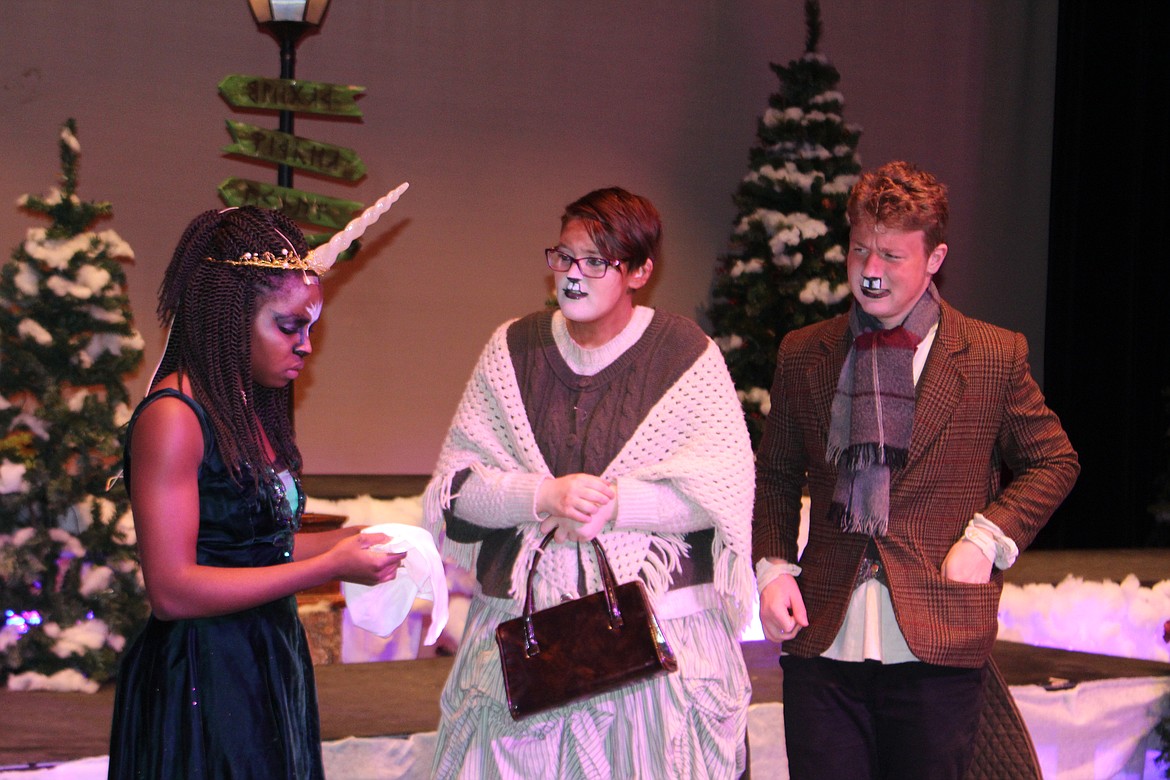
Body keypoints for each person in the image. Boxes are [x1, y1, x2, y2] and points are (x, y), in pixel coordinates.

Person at [753, 161, 1079, 780]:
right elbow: (773, 475)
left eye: (892, 257)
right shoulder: (806, 351)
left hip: (938, 639)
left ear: (934, 259)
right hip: (823, 639)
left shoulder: (990, 354)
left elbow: (1053, 461)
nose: (870, 271)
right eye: (860, 252)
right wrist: (771, 568)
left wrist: (986, 539)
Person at [423, 187, 756, 779]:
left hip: (658, 648)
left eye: (596, 261)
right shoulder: (513, 348)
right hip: (527, 647)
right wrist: (541, 496)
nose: (574, 276)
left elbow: (721, 492)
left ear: (640, 271)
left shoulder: (684, 354)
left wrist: (618, 504)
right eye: (564, 257)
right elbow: (457, 493)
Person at [107, 206, 405, 778]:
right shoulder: (174, 418)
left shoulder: (248, 406)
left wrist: (365, 540)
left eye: (311, 327)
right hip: (202, 676)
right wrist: (330, 567)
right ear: (230, 318)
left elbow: (267, 546)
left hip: (266, 660)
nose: (305, 347)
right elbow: (172, 591)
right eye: (289, 326)